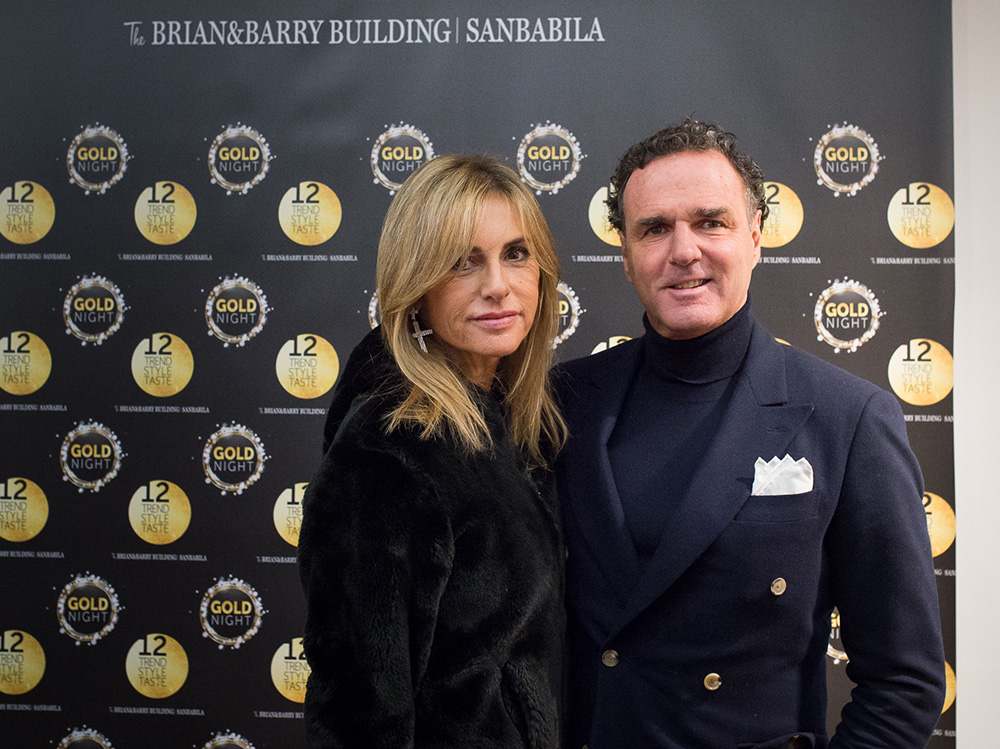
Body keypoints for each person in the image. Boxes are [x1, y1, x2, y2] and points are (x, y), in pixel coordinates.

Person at [554, 118, 946, 748]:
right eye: (654, 229)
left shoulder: (848, 418)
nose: (684, 251)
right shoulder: (561, 402)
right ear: (625, 254)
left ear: (756, 236)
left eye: (711, 222)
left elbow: (905, 681)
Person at [297, 154, 568, 748]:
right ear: (416, 287)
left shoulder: (518, 420)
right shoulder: (387, 451)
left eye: (515, 254)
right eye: (461, 262)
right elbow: (358, 715)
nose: (497, 285)